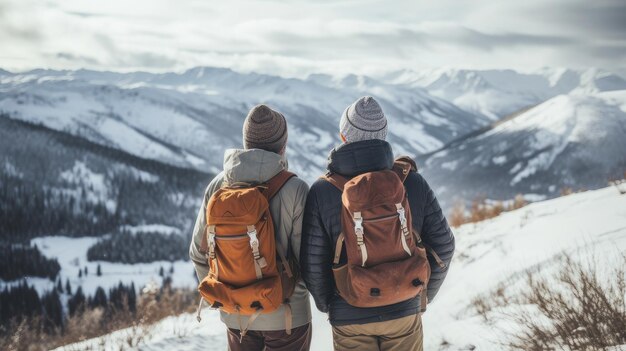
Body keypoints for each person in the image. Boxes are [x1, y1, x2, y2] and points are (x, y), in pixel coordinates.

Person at [300, 96, 455, 351]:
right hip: (404, 309)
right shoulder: (412, 183)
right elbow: (444, 246)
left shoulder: (322, 191)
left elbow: (313, 262)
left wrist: (332, 304)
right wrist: (420, 295)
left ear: (344, 137)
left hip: (349, 313)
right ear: (383, 136)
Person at [189, 104, 312, 351]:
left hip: (236, 317)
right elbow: (308, 263)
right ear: (283, 146)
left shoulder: (218, 187)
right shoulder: (295, 189)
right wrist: (287, 297)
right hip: (286, 317)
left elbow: (198, 254)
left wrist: (228, 297)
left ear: (246, 142)